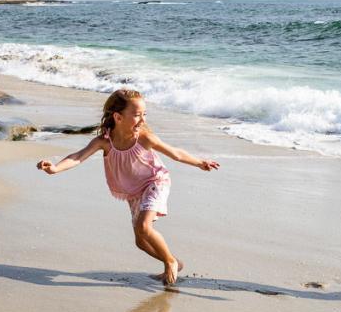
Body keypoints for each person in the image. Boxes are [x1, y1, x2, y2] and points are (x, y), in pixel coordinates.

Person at [37, 89, 219, 285]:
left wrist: (200, 162)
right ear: (118, 117)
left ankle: (170, 261)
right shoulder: (104, 142)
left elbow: (175, 153)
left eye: (144, 115)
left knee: (144, 226)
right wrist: (55, 168)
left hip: (155, 181)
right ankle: (173, 260)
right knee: (140, 241)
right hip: (133, 192)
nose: (142, 120)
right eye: (137, 115)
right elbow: (78, 157)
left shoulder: (144, 138)